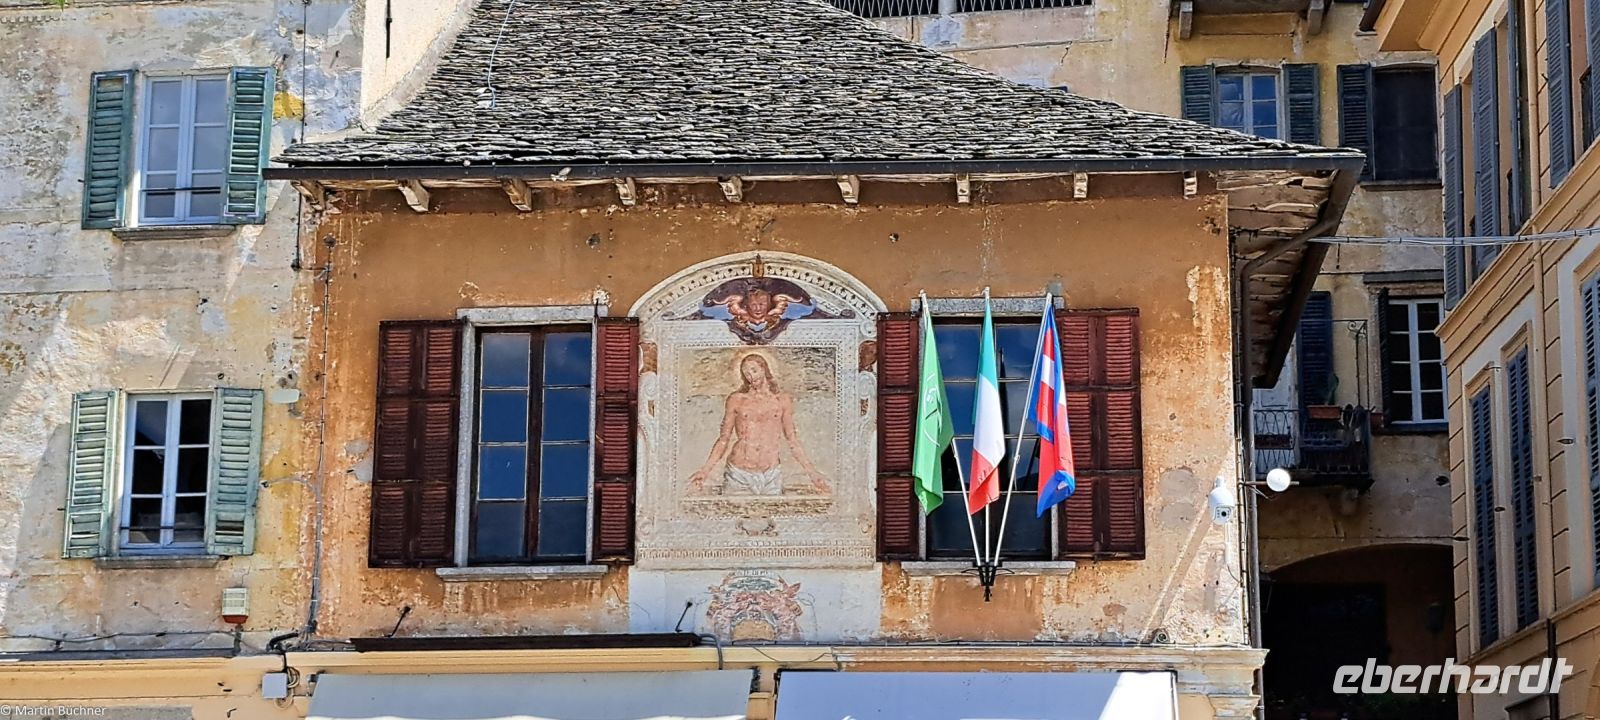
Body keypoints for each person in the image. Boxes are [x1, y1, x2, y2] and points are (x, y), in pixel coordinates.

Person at [688, 354, 830, 495]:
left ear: (764, 370)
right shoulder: (736, 400)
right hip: (739, 473)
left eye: (754, 371)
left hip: (771, 474)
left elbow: (792, 439)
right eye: (746, 374)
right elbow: (724, 439)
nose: (751, 376)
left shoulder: (782, 400)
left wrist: (812, 472)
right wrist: (705, 471)